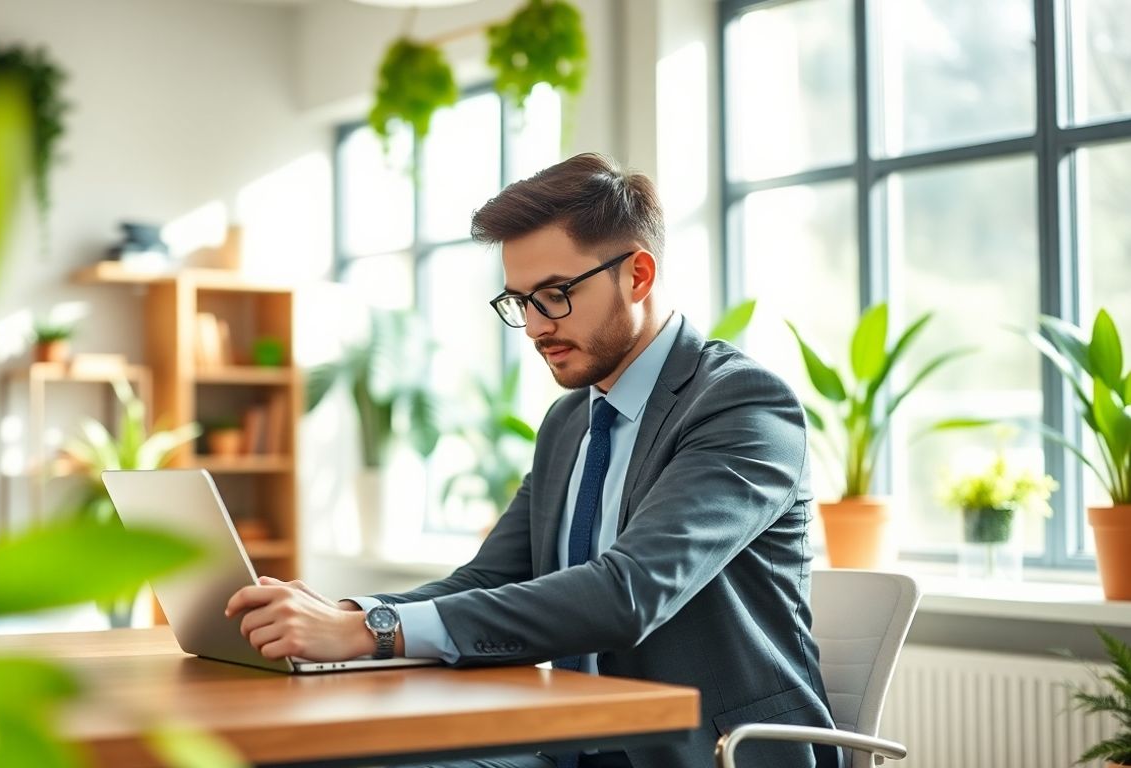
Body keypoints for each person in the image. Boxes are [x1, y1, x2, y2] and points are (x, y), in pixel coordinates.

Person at [225, 153, 839, 768]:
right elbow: (491, 577)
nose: (535, 327)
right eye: (520, 301)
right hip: (571, 749)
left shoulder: (741, 405)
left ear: (639, 276)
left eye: (555, 295)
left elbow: (627, 594)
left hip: (705, 754)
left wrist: (375, 631)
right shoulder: (571, 420)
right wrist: (345, 617)